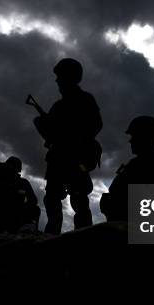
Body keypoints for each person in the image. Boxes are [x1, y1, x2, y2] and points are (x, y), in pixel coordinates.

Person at [34, 58, 103, 234]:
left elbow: (95, 125)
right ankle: (52, 234)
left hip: (76, 158)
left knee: (79, 199)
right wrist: (44, 125)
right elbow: (50, 134)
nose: (57, 81)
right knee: (52, 199)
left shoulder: (85, 99)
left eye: (60, 77)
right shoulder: (58, 106)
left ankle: (83, 235)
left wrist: (74, 137)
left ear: (69, 77)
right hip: (58, 158)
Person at [100, 116, 154, 221]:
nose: (130, 141)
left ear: (145, 137)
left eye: (134, 136)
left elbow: (115, 192)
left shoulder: (136, 165)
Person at [5, 156, 40, 232]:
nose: (11, 169)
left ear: (18, 169)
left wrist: (23, 207)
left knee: (36, 210)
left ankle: (29, 229)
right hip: (3, 211)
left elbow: (33, 200)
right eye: (10, 166)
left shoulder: (23, 183)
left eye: (14, 167)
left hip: (18, 212)